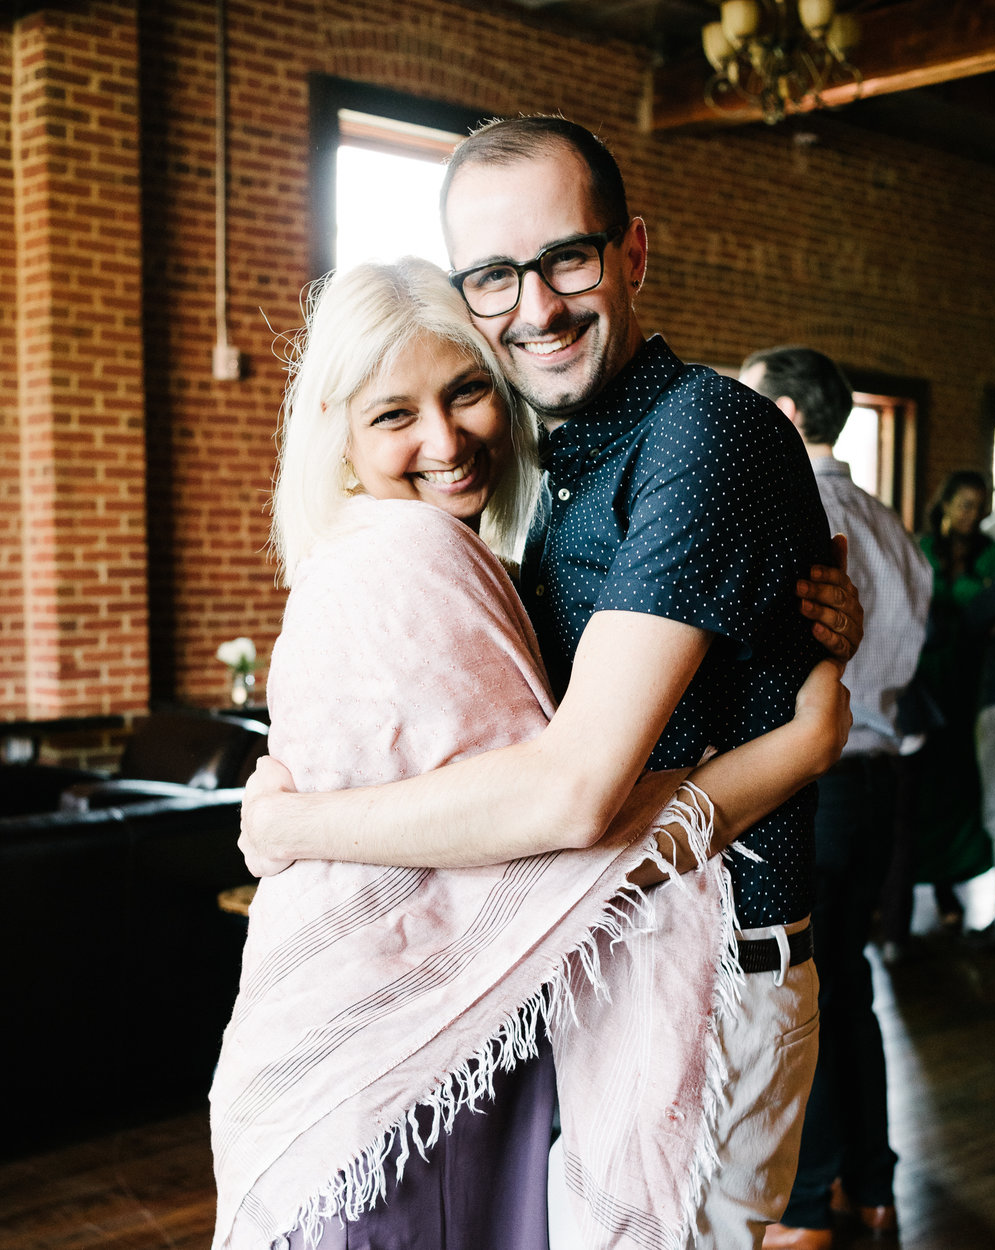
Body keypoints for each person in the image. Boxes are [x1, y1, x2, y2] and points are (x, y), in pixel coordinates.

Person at [240, 117, 864, 1250]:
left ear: (631, 252)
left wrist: (294, 823)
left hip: (714, 974)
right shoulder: (551, 469)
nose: (535, 306)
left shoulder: (702, 434)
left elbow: (572, 787)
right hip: (605, 965)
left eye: (566, 258)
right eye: (492, 276)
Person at [739, 346, 932, 1250]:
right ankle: (873, 1185)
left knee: (807, 991)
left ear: (781, 414)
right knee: (850, 984)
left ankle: (806, 1206)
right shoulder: (893, 525)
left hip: (814, 781)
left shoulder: (793, 510)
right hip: (882, 778)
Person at [914, 470, 995, 929]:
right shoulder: (923, 549)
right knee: (923, 780)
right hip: (926, 681)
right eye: (964, 504)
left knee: (960, 781)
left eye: (979, 506)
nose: (972, 515)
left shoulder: (991, 557)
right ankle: (913, 882)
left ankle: (953, 884)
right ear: (945, 503)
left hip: (970, 680)